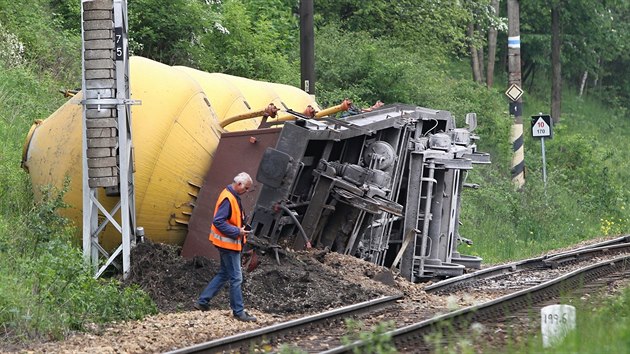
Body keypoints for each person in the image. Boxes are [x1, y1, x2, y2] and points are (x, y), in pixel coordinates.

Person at [194, 172, 257, 322]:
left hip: (227, 243)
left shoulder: (231, 195)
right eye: (246, 188)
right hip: (228, 244)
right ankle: (239, 312)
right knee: (236, 277)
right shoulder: (228, 198)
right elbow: (218, 222)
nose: (247, 191)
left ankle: (202, 302)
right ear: (239, 184)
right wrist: (237, 231)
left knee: (224, 274)